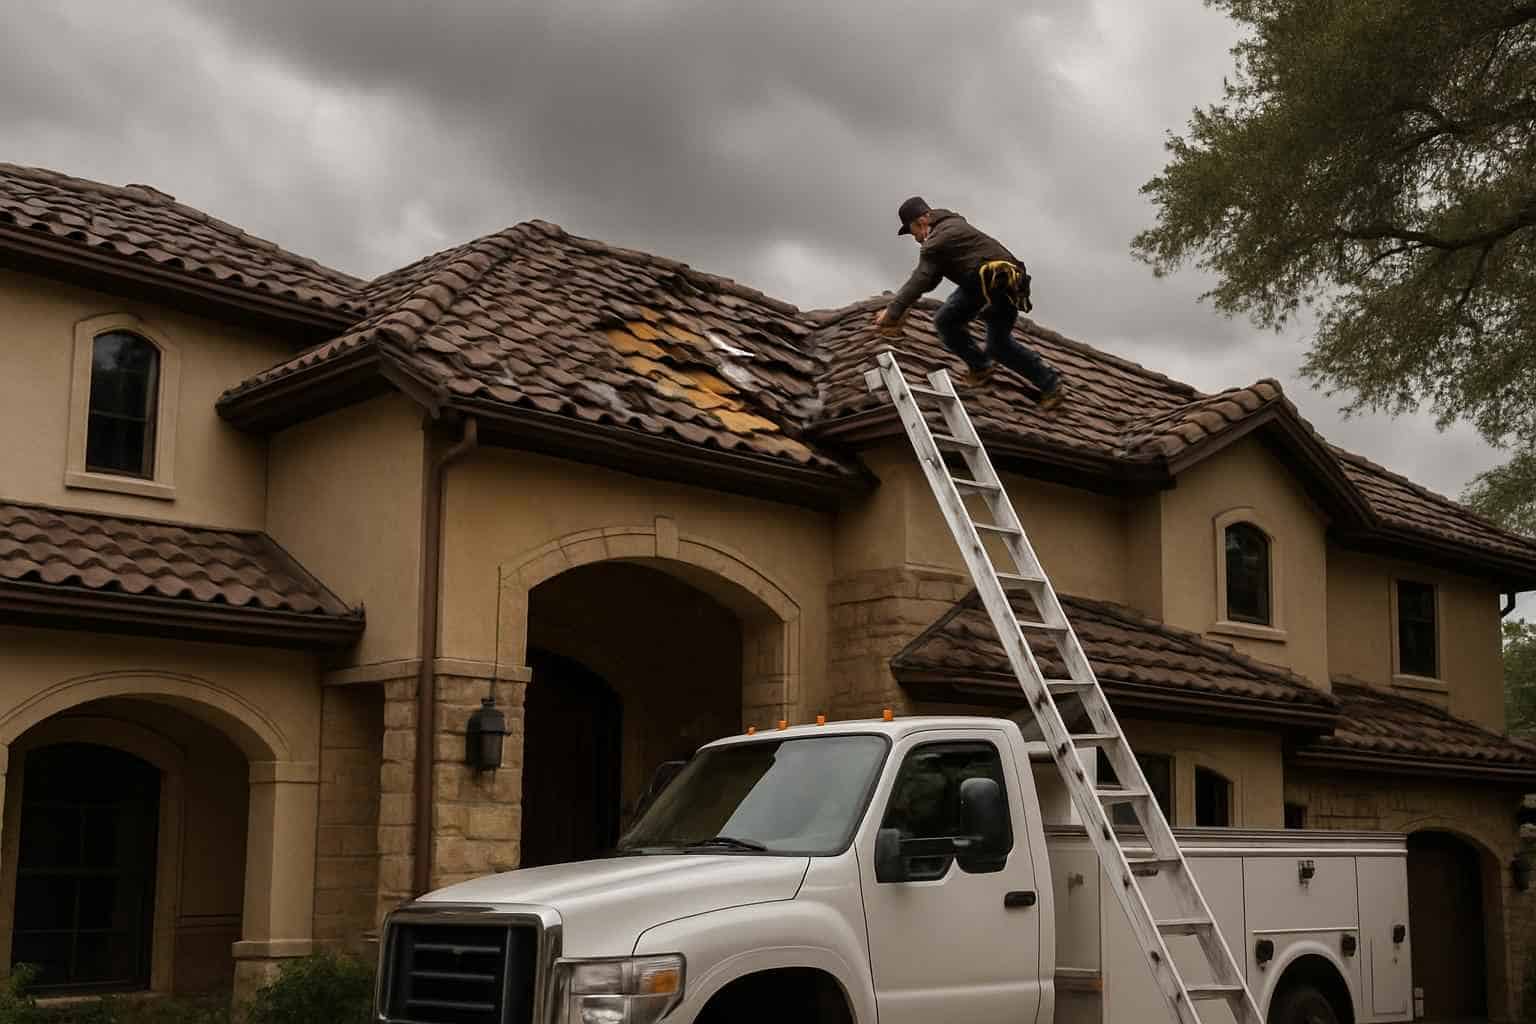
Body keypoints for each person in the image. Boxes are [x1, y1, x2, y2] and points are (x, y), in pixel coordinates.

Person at [875, 196, 1063, 409]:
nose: (917, 239)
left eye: (914, 232)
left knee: (963, 330)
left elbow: (922, 278)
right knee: (975, 334)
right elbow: (931, 278)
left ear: (923, 221)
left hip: (991, 284)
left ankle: (1032, 379)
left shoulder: (937, 241)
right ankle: (994, 370)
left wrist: (892, 313)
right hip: (1002, 283)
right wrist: (904, 306)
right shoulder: (953, 225)